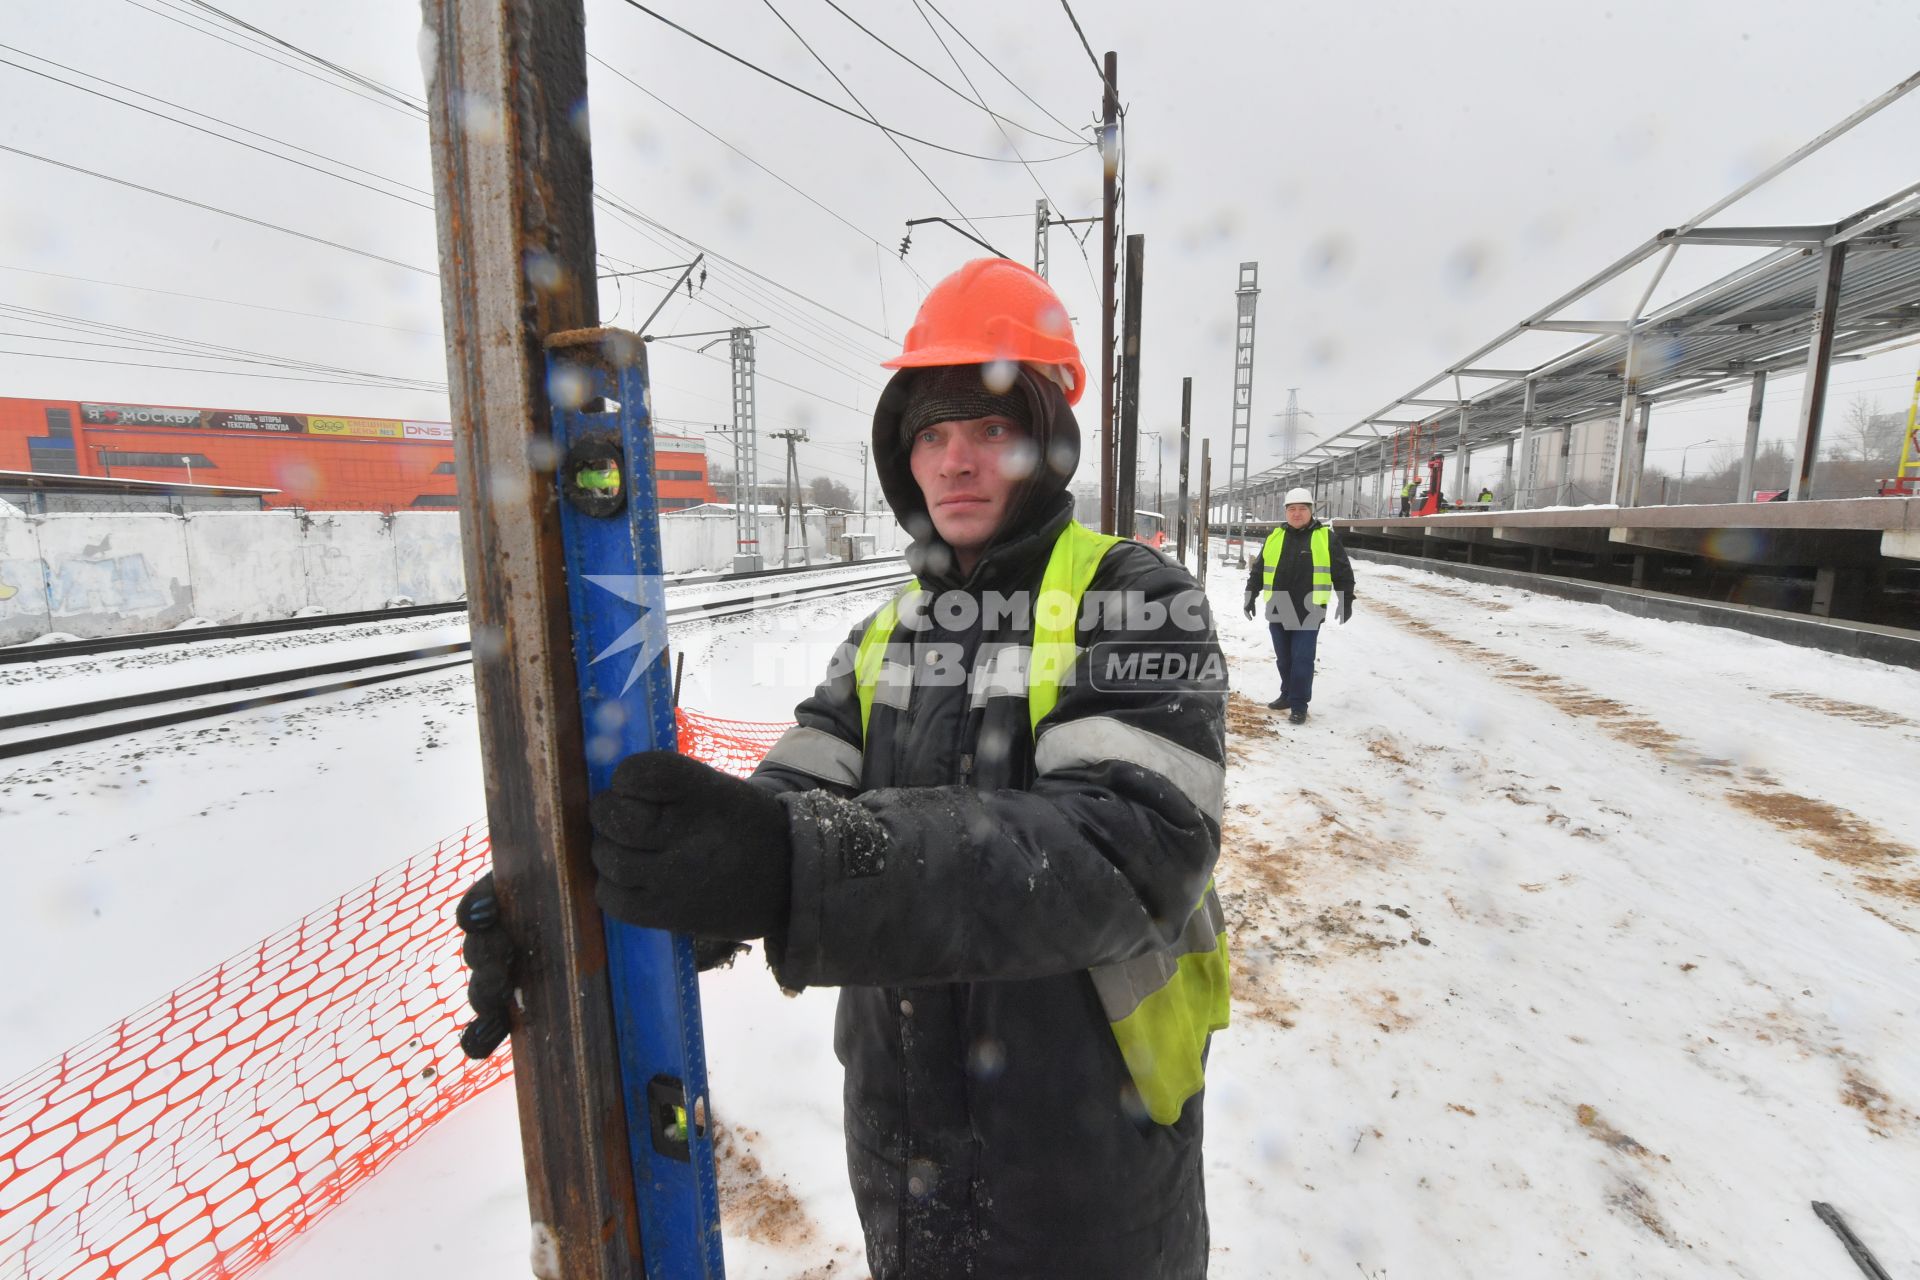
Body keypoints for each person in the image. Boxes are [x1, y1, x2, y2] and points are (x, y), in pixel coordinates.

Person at [458, 259, 1229, 1280]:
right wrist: (587, 896)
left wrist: (790, 866)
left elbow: (1125, 851)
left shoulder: (1136, 600)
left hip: (1089, 1147)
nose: (955, 460)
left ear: (1049, 439)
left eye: (990, 429)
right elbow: (780, 811)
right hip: (905, 1138)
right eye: (932, 434)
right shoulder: (888, 636)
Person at [1241, 488, 1355, 724]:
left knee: (1302, 658)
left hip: (1310, 609)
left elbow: (1342, 571)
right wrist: (1250, 594)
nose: (1297, 514)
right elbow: (1260, 569)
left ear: (1311, 511)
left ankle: (1299, 704)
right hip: (1278, 606)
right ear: (1286, 511)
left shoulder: (1326, 538)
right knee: (1284, 659)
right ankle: (1287, 694)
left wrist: (1346, 599)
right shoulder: (1275, 537)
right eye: (1292, 509)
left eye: (1302, 509)